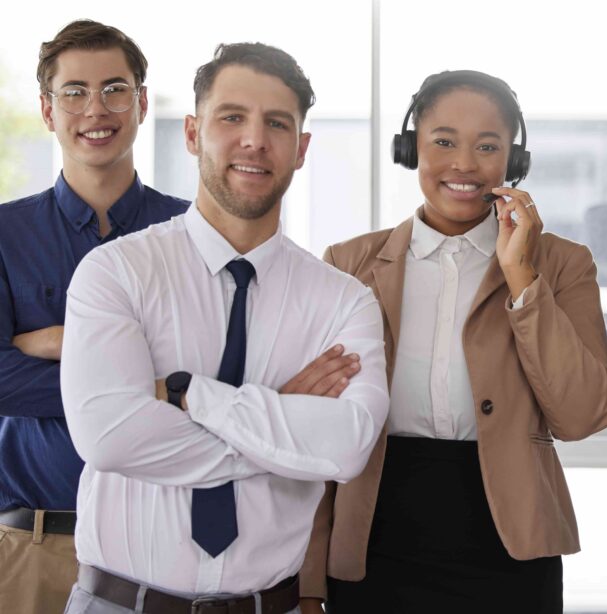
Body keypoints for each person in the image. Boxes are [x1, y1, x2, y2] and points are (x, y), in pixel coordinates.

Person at [59, 42, 389, 613]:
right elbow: (109, 438)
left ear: (301, 148)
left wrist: (191, 395)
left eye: (277, 124)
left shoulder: (345, 301)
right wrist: (279, 417)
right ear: (192, 133)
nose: (254, 140)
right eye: (232, 117)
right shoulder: (116, 272)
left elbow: (347, 447)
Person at [298, 69, 607, 614]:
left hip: (508, 549)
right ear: (412, 148)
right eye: (443, 141)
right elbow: (319, 436)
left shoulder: (562, 265)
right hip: (376, 539)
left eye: (487, 146)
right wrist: (308, 580)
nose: (464, 164)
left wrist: (521, 276)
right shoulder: (348, 265)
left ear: (512, 161)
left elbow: (583, 414)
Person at [0, 20, 189, 613]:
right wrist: (153, 386)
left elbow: (217, 366)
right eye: (74, 92)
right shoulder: (5, 234)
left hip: (167, 549)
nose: (95, 109)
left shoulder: (193, 233)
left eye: (114, 88)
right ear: (47, 110)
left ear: (140, 103)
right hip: (37, 547)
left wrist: (61, 342)